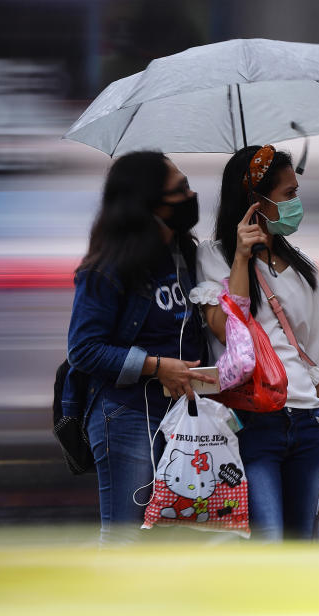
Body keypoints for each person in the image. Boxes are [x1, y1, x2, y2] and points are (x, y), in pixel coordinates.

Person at [189, 144, 319, 541]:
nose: (296, 203)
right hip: (252, 419)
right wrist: (242, 257)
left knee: (301, 544)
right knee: (267, 541)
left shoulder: (303, 269)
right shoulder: (214, 255)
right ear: (255, 201)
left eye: (296, 192)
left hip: (306, 420)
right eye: (288, 194)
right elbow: (224, 327)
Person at [67, 151, 215, 544]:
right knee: (125, 536)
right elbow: (83, 349)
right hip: (129, 415)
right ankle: (109, 605)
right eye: (180, 189)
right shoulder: (108, 268)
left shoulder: (187, 254)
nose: (191, 195)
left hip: (186, 416)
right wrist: (156, 366)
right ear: (149, 203)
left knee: (184, 536)